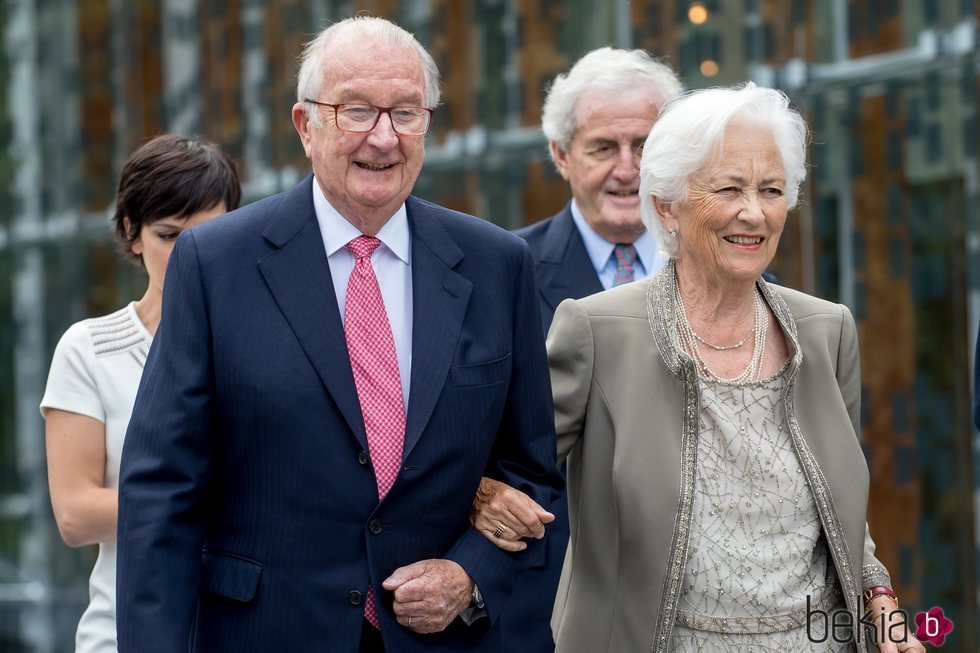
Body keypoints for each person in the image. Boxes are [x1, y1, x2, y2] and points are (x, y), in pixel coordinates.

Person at [115, 16, 562, 653]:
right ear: (305, 125)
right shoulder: (215, 264)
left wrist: (470, 575)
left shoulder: (497, 265)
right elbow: (162, 490)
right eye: (356, 111)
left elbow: (533, 473)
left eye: (406, 112)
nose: (384, 138)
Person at [472, 83, 924, 652]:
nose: (754, 212)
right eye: (729, 188)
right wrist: (478, 490)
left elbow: (839, 510)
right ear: (666, 205)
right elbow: (510, 464)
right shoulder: (598, 331)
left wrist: (879, 602)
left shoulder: (826, 331)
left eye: (771, 189)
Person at [497, 47, 681, 653]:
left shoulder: (735, 279)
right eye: (604, 147)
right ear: (560, 155)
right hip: (550, 609)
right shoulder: (500, 277)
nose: (628, 170)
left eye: (646, 146)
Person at [39, 133, 240, 653]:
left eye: (210, 235)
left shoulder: (266, 346)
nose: (192, 255)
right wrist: (216, 496)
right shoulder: (90, 348)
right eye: (170, 235)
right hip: (124, 635)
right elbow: (76, 514)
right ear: (131, 232)